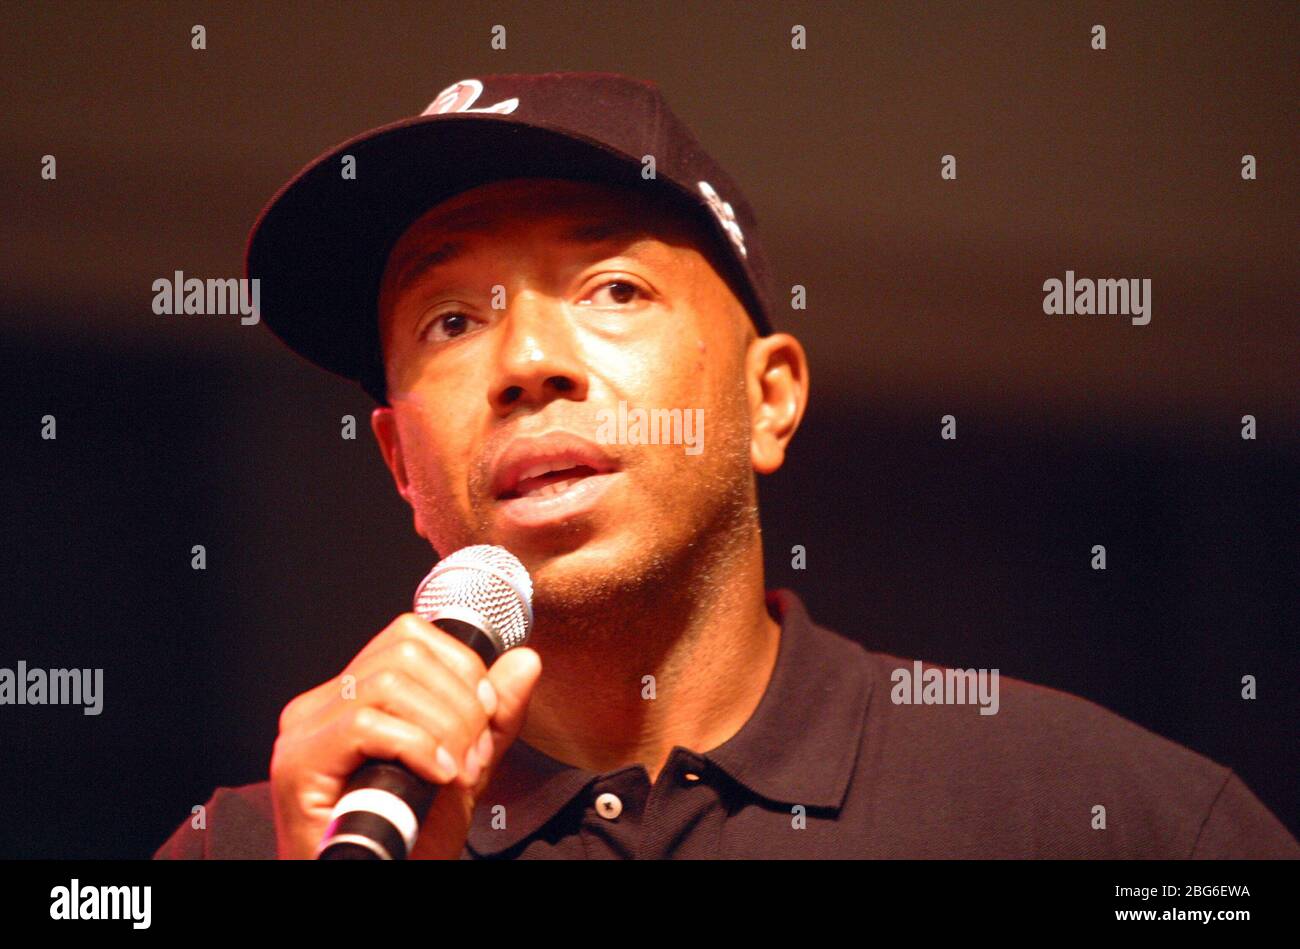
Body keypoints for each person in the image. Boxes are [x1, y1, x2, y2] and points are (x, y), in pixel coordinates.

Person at [155, 72, 1296, 859]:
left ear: (768, 398)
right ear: (402, 463)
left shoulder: (1103, 815)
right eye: (451, 320)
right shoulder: (261, 846)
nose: (528, 363)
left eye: (611, 289)